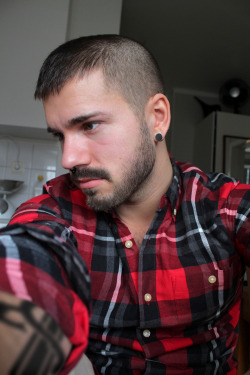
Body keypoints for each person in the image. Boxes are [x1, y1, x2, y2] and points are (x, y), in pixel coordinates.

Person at [0, 34, 249, 375]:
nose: (68, 158)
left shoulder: (222, 206)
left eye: (90, 125)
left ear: (157, 117)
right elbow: (27, 261)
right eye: (60, 135)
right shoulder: (54, 211)